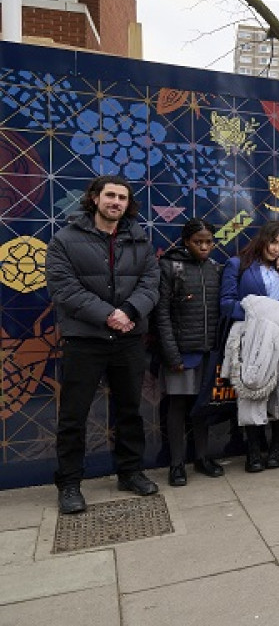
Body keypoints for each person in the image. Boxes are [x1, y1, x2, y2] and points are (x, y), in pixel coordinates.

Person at [47, 175, 161, 514]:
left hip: (129, 339)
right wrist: (108, 315)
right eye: (110, 195)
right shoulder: (65, 239)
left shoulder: (140, 239)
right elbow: (64, 288)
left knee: (130, 409)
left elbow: (151, 283)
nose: (116, 202)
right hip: (85, 340)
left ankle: (130, 472)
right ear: (95, 198)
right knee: (73, 415)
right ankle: (69, 484)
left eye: (122, 198)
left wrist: (128, 312)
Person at [220, 221, 279, 472]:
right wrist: (258, 317)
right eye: (273, 242)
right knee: (252, 391)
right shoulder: (238, 265)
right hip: (251, 337)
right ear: (262, 239)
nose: (276, 249)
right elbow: (227, 304)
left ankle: (277, 447)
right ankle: (253, 450)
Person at [155, 218, 226, 486]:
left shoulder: (215, 269)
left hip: (208, 350)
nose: (205, 247)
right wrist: (171, 354)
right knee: (177, 406)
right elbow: (161, 314)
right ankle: (176, 464)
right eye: (199, 242)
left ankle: (203, 457)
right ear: (186, 242)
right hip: (182, 351)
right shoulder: (171, 267)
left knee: (202, 406)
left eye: (209, 242)